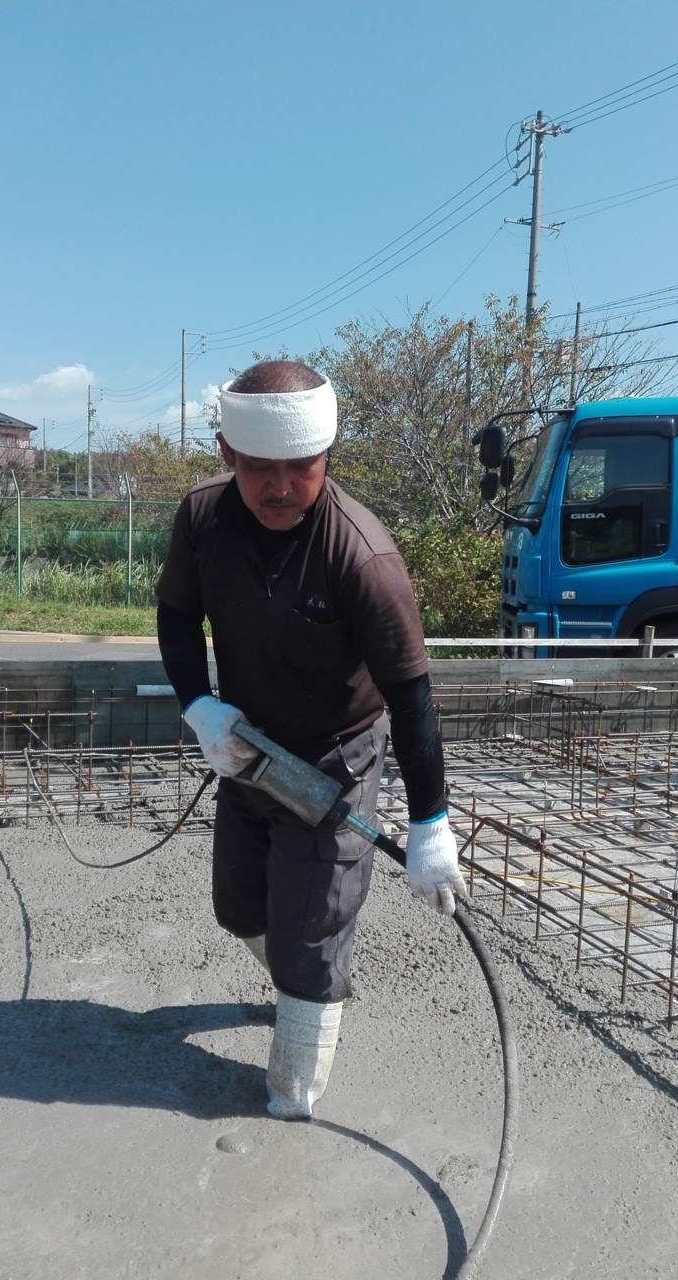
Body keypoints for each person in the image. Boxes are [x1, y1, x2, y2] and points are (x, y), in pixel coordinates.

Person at [155, 360, 464, 1120]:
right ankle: (299, 986)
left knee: (311, 927)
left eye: (303, 467)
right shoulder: (203, 521)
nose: (283, 487)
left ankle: (294, 1090)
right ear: (229, 455)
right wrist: (199, 705)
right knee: (239, 906)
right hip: (248, 742)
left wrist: (430, 823)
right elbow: (175, 616)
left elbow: (412, 696)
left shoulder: (362, 556)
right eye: (262, 468)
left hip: (338, 751)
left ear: (328, 454)